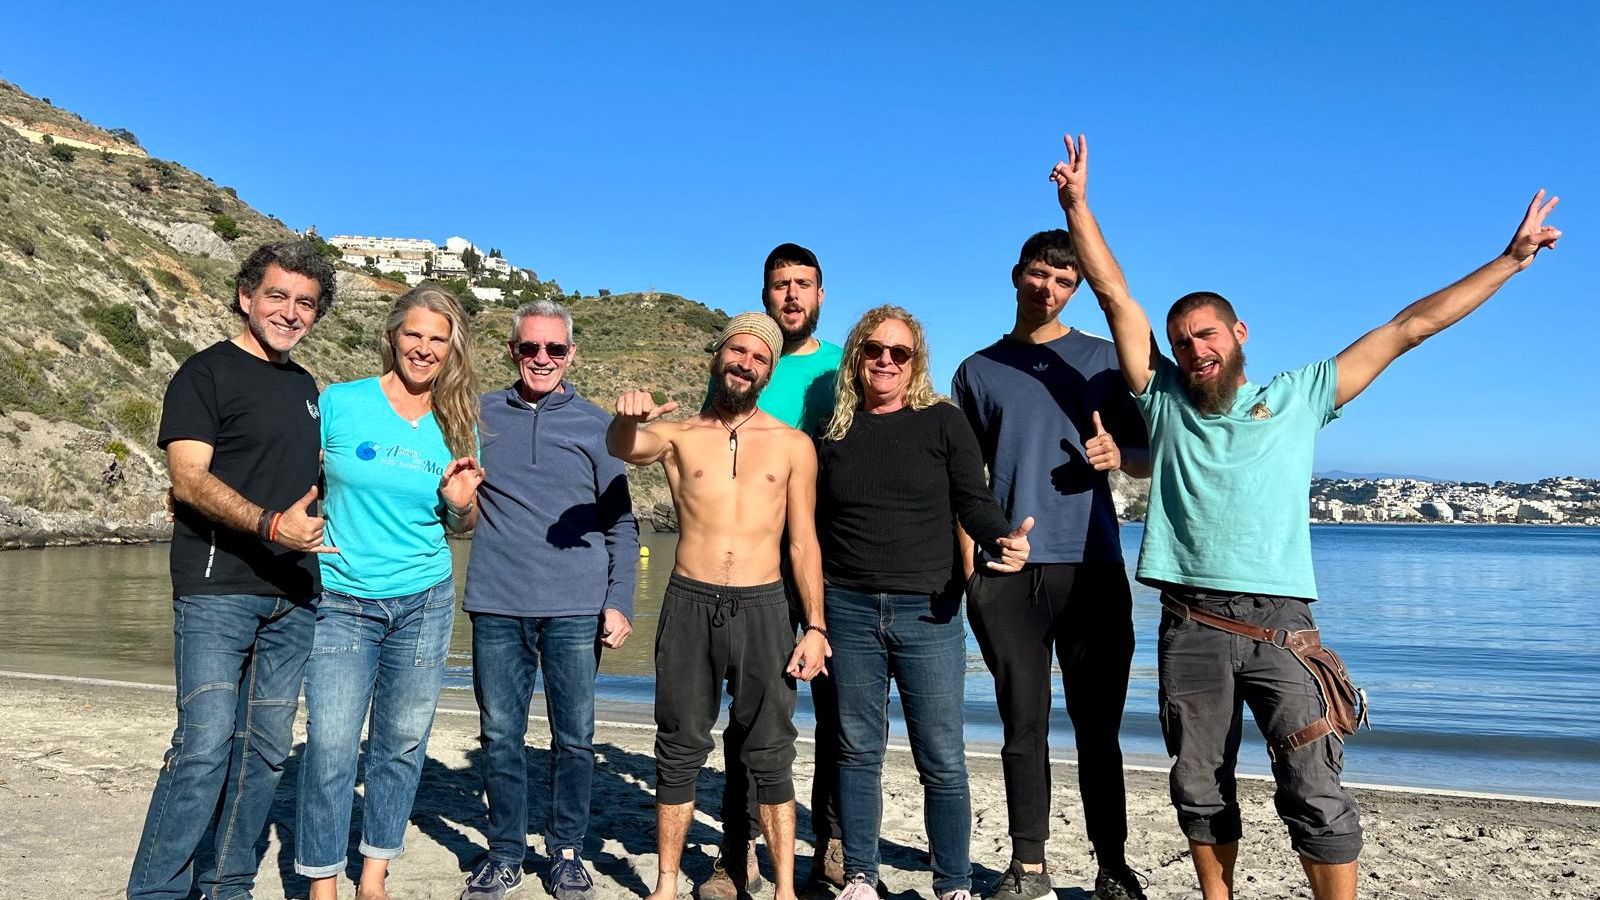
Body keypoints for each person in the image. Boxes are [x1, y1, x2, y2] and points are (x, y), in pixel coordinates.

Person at [1053, 132, 1561, 900]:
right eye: (1184, 340)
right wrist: (1078, 207)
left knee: (1313, 786)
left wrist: (1509, 261)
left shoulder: (1297, 397)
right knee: (1200, 786)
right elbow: (1116, 294)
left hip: (1283, 623)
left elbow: (1406, 329)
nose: (1195, 350)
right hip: (1189, 621)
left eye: (1208, 335)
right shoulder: (1161, 399)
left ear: (1240, 334)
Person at [129, 240, 337, 900]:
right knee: (202, 749)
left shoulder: (306, 387)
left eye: (305, 302)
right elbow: (189, 480)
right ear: (246, 296)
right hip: (218, 590)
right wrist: (271, 525)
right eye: (277, 295)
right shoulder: (204, 374)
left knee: (263, 755)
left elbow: (305, 484)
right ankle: (157, 892)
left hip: (294, 599)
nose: (290, 311)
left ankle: (227, 887)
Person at [950, 225, 1151, 900]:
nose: (1050, 288)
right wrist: (971, 574)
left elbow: (1154, 456)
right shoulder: (978, 370)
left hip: (1093, 566)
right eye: (1040, 274)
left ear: (1077, 290)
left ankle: (1113, 865)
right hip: (1009, 574)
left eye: (1065, 281)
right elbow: (963, 484)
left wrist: (1120, 459)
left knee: (1100, 731)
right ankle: (1028, 865)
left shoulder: (1104, 361)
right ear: (1017, 275)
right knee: (1022, 727)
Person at [607, 312, 831, 900]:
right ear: (718, 357)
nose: (745, 363)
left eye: (758, 358)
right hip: (689, 603)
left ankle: (782, 888)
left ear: (769, 370)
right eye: (736, 352)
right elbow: (627, 446)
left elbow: (803, 541)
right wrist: (625, 419)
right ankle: (663, 884)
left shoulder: (793, 445)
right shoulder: (679, 435)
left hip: (765, 608)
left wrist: (815, 625)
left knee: (771, 750)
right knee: (679, 744)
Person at [818, 305, 1034, 900]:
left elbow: (974, 500)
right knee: (857, 751)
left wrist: (1000, 537)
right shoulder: (834, 432)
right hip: (849, 609)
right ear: (857, 357)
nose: (886, 361)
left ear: (916, 362)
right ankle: (861, 876)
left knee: (941, 757)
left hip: (930, 612)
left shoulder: (944, 422)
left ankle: (953, 883)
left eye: (899, 352)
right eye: (874, 350)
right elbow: (813, 526)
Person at [295, 283, 485, 900]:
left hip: (423, 601)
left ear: (452, 350)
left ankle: (372, 876)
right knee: (329, 747)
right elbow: (296, 478)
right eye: (415, 335)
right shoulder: (341, 403)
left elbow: (462, 522)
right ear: (393, 337)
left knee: (401, 745)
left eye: (438, 339)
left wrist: (461, 508)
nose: (424, 349)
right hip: (343, 599)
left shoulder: (459, 423)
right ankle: (323, 882)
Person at [458, 300, 639, 900]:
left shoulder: (598, 426)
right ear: (512, 351)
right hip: (496, 603)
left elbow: (623, 525)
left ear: (571, 354)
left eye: (554, 349)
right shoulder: (477, 416)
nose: (542, 358)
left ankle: (565, 852)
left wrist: (620, 602)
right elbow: (453, 499)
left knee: (575, 738)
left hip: (575, 609)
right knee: (500, 735)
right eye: (530, 348)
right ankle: (506, 852)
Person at [702, 243, 846, 899]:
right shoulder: (744, 365)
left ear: (821, 294)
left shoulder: (846, 368)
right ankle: (739, 853)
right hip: (755, 572)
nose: (791, 295)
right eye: (780, 285)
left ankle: (837, 845)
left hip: (833, 562)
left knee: (843, 715)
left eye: (803, 285)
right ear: (765, 296)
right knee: (754, 717)